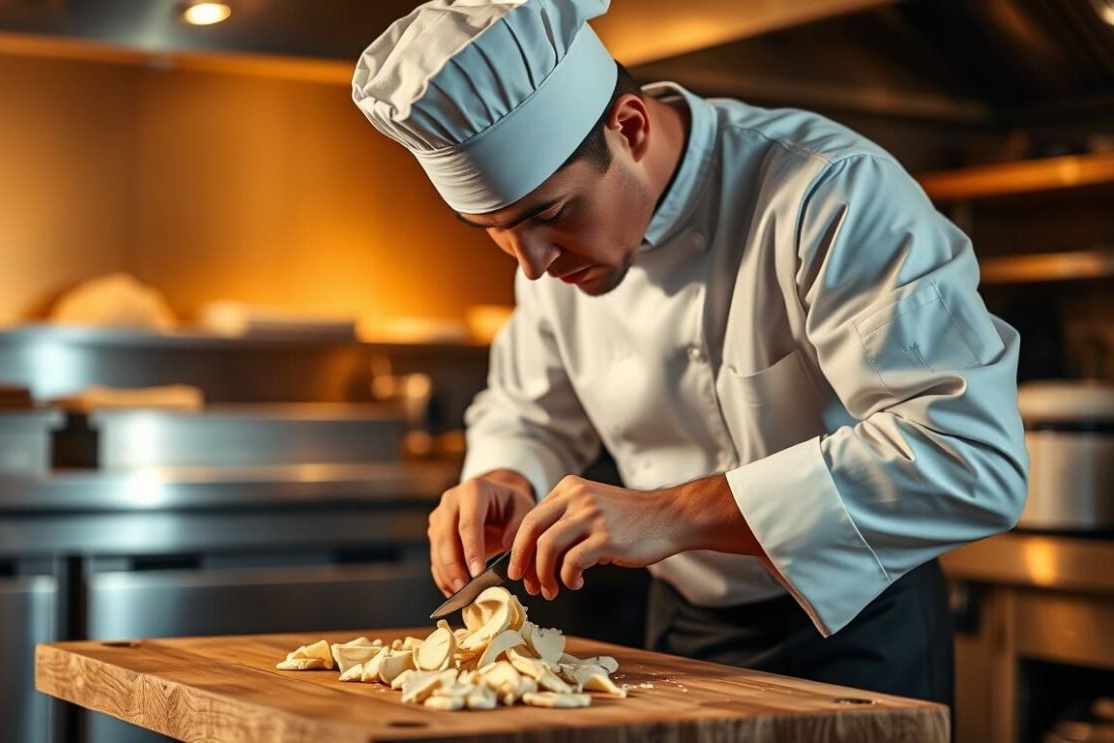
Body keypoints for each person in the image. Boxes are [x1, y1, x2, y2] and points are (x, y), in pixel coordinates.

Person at [352, 0, 1027, 704]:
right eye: (491, 229)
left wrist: (668, 513)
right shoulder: (557, 252)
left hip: (857, 630)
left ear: (631, 128)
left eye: (549, 215)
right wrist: (504, 475)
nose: (530, 264)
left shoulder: (827, 193)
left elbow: (971, 455)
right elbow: (532, 406)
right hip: (681, 631)